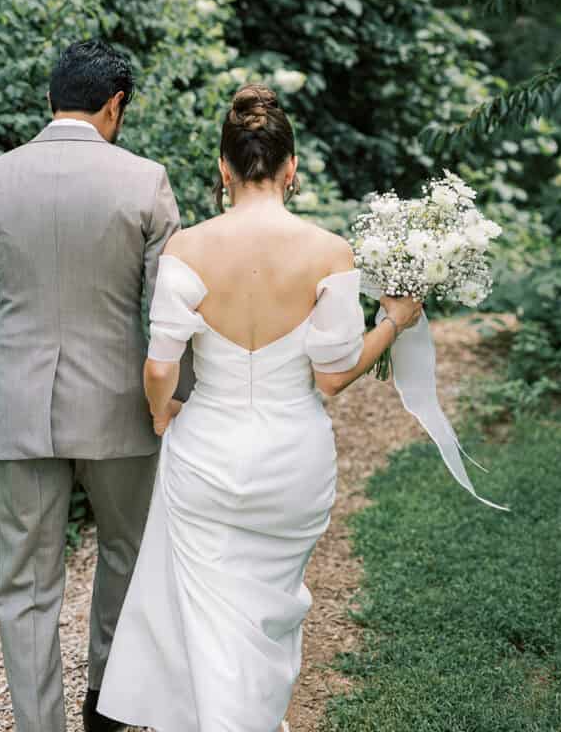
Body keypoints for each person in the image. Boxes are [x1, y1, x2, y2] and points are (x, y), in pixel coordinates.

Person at [97, 83, 421, 732]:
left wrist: (162, 414)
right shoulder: (328, 252)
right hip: (290, 459)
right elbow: (331, 377)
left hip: (206, 457)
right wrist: (393, 323)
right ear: (290, 168)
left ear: (223, 169)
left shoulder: (187, 248)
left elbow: (160, 365)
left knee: (210, 621)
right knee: (266, 621)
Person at [0, 39, 193, 732]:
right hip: (123, 409)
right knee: (128, 553)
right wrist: (176, 395)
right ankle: (108, 706)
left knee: (24, 583)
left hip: (19, 409)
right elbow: (170, 306)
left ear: (50, 98)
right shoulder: (146, 181)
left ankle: (39, 724)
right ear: (114, 105)